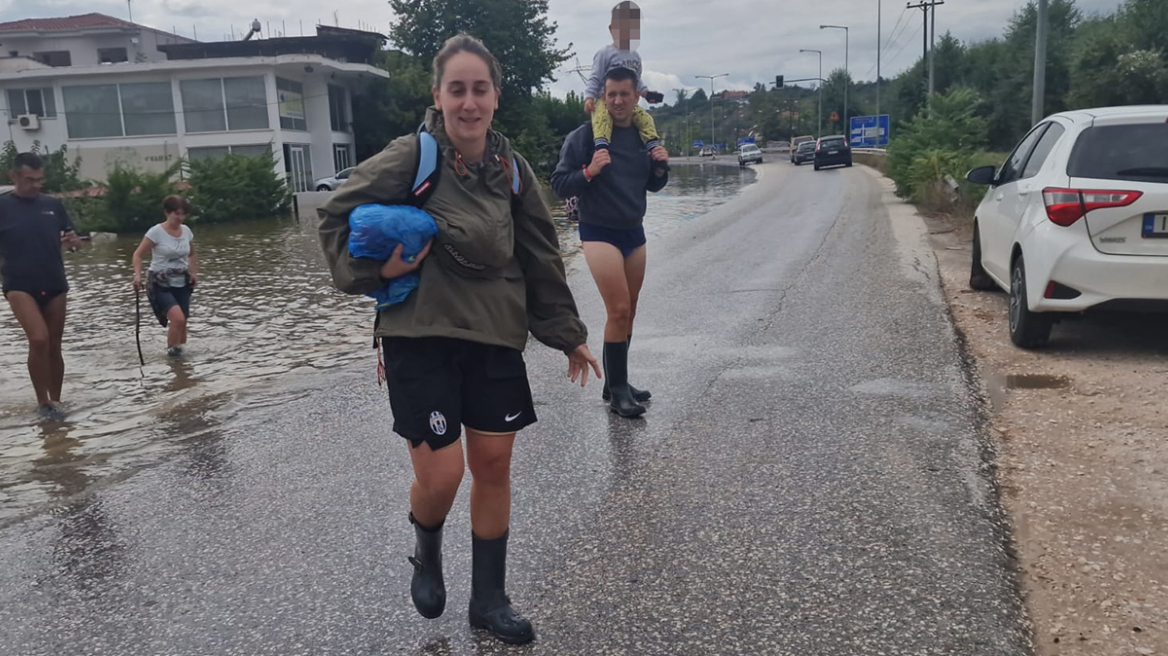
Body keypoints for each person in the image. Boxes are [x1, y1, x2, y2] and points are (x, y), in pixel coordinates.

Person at [318, 34, 601, 645]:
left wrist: (568, 335)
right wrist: (376, 272)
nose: (468, 103)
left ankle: (489, 600)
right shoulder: (409, 157)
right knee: (443, 474)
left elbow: (540, 255)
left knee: (494, 465)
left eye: (479, 89)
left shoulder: (513, 170)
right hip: (418, 334)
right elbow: (334, 213)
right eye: (457, 90)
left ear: (495, 96)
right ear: (438, 95)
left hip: (495, 333)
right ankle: (426, 547)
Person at [551, 66, 670, 418]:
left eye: (625, 94)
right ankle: (618, 392)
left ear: (636, 98)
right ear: (604, 97)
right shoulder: (585, 137)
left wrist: (661, 168)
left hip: (634, 230)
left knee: (629, 311)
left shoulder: (643, 137)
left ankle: (616, 381)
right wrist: (589, 172)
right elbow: (559, 183)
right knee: (617, 310)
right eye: (611, 94)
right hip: (598, 231)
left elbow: (651, 185)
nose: (618, 100)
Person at [0, 152, 82, 420]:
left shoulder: (53, 205)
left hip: (55, 281)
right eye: (29, 179)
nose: (35, 185)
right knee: (38, 339)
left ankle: (56, 402)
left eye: (39, 180)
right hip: (19, 284)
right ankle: (43, 402)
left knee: (54, 345)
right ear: (14, 176)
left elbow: (74, 244)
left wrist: (73, 242)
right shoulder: (2, 206)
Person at [584, 1, 663, 153]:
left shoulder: (635, 56)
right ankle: (601, 146)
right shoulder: (604, 54)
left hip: (627, 101)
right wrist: (589, 98)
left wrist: (647, 94)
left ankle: (652, 145)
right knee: (602, 118)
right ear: (612, 30)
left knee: (645, 118)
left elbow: (637, 80)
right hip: (605, 100)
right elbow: (595, 77)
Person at [132, 195, 198, 358]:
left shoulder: (186, 231)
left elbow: (191, 253)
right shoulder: (156, 232)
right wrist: (137, 275)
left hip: (182, 281)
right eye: (177, 214)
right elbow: (138, 255)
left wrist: (193, 272)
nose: (180, 218)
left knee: (183, 322)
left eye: (183, 214)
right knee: (178, 319)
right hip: (160, 282)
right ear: (167, 213)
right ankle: (173, 356)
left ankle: (182, 359)